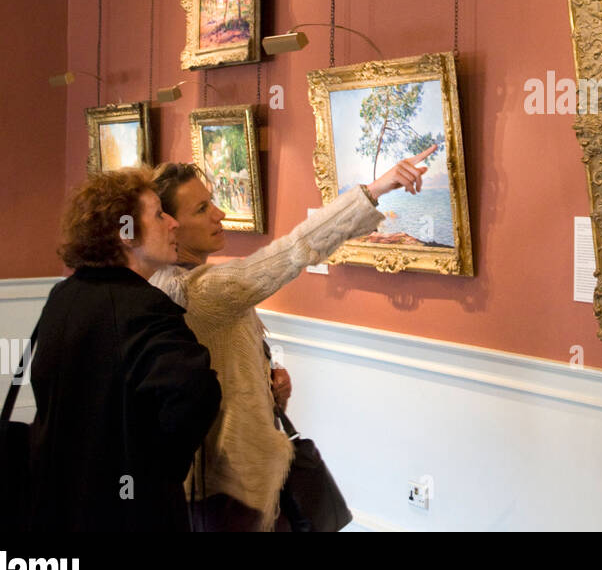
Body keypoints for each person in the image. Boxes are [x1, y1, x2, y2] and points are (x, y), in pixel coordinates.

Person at [150, 145, 435, 531]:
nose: (218, 214)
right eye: (201, 210)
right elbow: (293, 251)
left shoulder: (177, 282)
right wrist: (375, 190)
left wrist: (264, 378)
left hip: (225, 475)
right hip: (231, 482)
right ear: (169, 226)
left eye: (212, 202)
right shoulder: (198, 290)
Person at [27, 168, 221, 532]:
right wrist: (158, 469)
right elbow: (197, 394)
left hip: (58, 498)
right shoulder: (145, 307)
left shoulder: (65, 295)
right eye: (158, 214)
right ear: (126, 234)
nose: (173, 224)